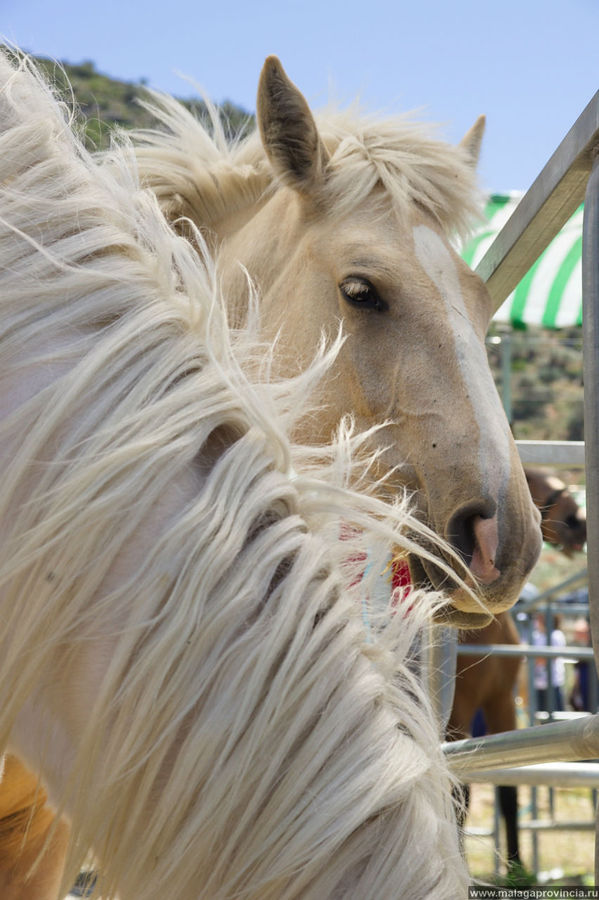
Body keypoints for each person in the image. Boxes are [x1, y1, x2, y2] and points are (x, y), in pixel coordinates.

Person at [532, 612, 566, 713]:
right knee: (541, 717)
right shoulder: (536, 635)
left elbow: (550, 658)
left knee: (556, 717)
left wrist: (534, 659)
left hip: (552, 684)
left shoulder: (556, 635)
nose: (538, 620)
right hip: (538, 684)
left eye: (541, 617)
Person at [569, 617, 592, 712]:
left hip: (589, 676)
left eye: (580, 633)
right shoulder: (577, 644)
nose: (577, 635)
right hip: (582, 677)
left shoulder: (591, 644)